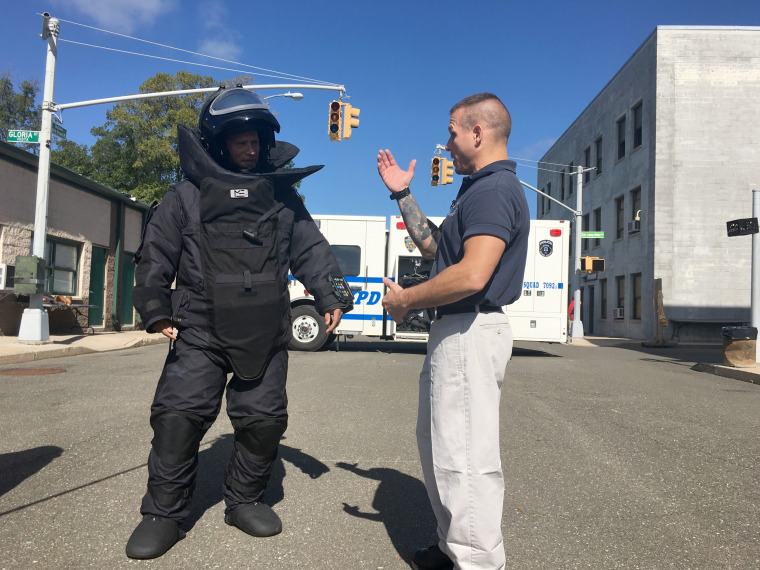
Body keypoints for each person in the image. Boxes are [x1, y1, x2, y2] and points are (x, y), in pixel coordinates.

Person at [126, 86, 353, 559]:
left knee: (263, 422)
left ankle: (244, 500)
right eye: (239, 141)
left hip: (265, 330)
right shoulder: (185, 197)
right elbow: (156, 253)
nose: (249, 149)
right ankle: (163, 514)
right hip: (200, 329)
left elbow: (310, 249)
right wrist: (154, 309)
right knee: (178, 420)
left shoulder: (283, 199)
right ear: (218, 143)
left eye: (255, 141)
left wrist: (331, 292)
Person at [377, 93, 529, 570]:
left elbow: (471, 275)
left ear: (478, 133)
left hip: (469, 330)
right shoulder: (477, 190)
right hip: (457, 332)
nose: (447, 145)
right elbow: (436, 249)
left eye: (452, 133)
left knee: (463, 460)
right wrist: (404, 194)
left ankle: (479, 564)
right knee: (442, 449)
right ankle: (452, 549)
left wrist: (404, 301)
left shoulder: (493, 191)